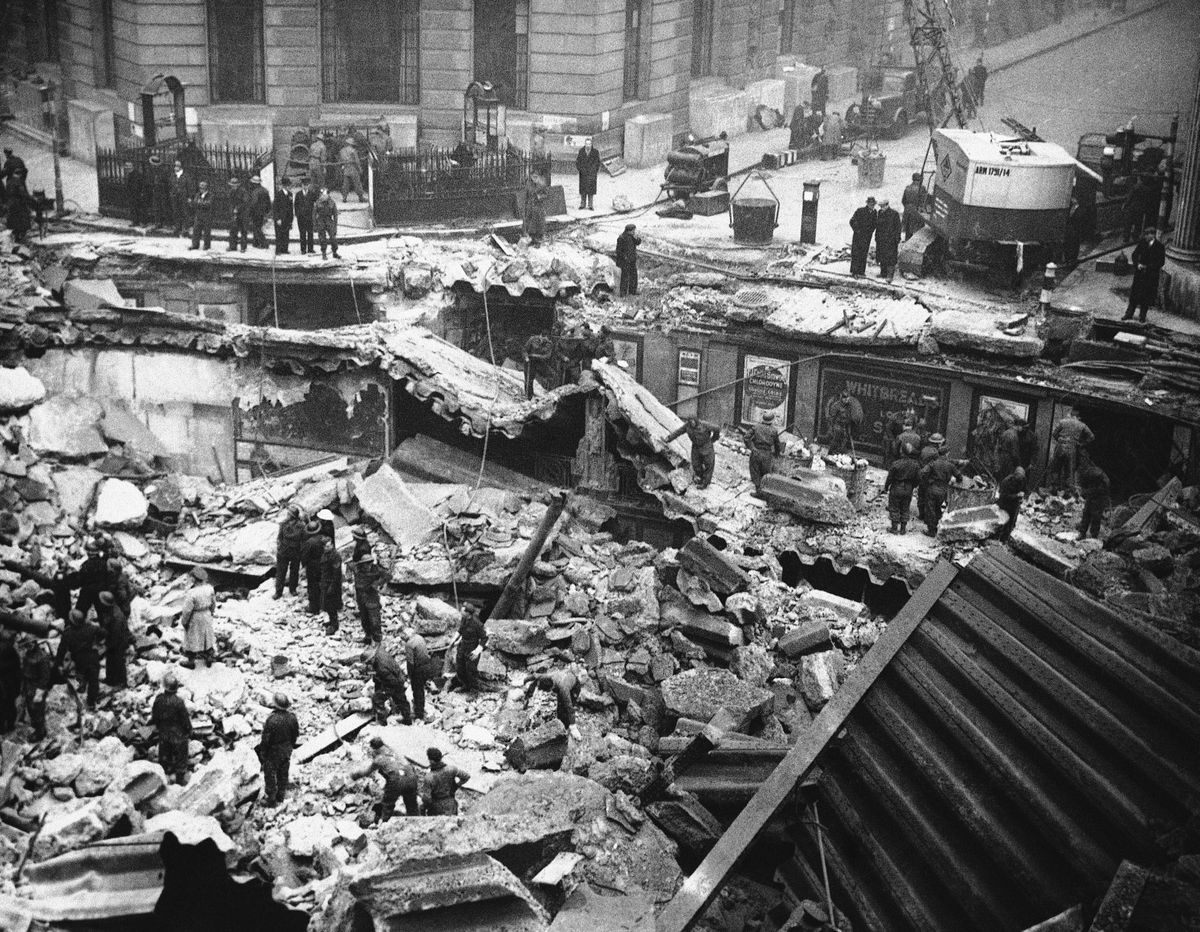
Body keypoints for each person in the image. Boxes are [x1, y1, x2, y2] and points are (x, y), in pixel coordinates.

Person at [351, 736, 419, 821]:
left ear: (374, 749)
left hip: (397, 780)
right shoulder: (394, 751)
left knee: (387, 804)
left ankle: (384, 824)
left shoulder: (379, 759)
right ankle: (416, 822)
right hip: (411, 777)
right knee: (412, 805)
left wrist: (354, 776)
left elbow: (366, 772)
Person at [258, 693, 299, 806]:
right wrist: (290, 747)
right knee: (283, 772)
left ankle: (271, 799)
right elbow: (295, 735)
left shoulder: (272, 720)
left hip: (274, 751)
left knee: (270, 773)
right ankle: (281, 795)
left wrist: (263, 753)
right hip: (286, 749)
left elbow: (266, 739)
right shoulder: (292, 718)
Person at [55, 609, 101, 709]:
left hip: (79, 659)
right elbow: (104, 633)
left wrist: (58, 664)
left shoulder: (68, 633)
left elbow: (61, 650)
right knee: (94, 681)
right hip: (92, 657)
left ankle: (82, 688)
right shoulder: (91, 628)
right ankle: (91, 702)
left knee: (81, 675)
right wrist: (98, 643)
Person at [151, 673, 192, 784]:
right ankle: (180, 777)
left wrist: (159, 726)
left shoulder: (159, 699)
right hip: (178, 734)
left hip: (164, 732)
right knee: (181, 754)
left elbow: (155, 716)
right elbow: (185, 719)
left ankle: (164, 774)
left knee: (164, 753)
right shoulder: (179, 702)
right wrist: (189, 729)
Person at [1123, 226, 1167, 323]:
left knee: (1146, 296)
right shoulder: (1142, 243)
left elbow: (1161, 262)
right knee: (1134, 294)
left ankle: (1142, 316)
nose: (1145, 237)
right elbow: (1134, 254)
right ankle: (1129, 313)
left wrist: (1149, 267)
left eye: (1147, 235)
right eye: (1145, 235)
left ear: (1153, 235)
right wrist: (1137, 264)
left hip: (1150, 276)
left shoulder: (1159, 247)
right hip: (1140, 274)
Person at [665, 416, 721, 489]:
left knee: (709, 464)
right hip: (696, 447)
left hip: (706, 445)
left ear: (696, 420)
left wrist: (713, 439)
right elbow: (678, 432)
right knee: (696, 464)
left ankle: (705, 483)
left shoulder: (704, 424)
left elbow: (717, 428)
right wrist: (669, 438)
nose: (692, 423)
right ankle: (700, 478)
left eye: (693, 421)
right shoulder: (687, 426)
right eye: (690, 422)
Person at [1049, 408, 1094, 494]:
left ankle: (1054, 489)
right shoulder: (1082, 425)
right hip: (1072, 448)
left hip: (1060, 447)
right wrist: (1081, 444)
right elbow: (1091, 437)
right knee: (1069, 470)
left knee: (1056, 468)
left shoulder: (1062, 422)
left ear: (1071, 415)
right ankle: (1067, 492)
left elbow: (1054, 434)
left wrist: (1060, 439)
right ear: (1078, 417)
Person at [920, 444, 962, 536]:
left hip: (932, 488)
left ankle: (931, 531)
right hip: (943, 490)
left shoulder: (932, 463)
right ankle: (940, 526)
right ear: (947, 454)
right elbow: (959, 477)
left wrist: (927, 480)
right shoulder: (950, 465)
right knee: (938, 508)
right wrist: (956, 481)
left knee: (931, 509)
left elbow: (923, 472)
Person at [179, 567, 216, 668]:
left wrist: (184, 622)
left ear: (193, 579)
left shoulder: (191, 593)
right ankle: (209, 657)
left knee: (191, 637)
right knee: (207, 636)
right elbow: (213, 604)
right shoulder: (210, 588)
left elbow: (187, 610)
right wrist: (211, 613)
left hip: (195, 617)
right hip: (206, 614)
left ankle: (191, 661)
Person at [883, 443, 921, 534]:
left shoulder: (896, 464)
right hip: (908, 488)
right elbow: (918, 478)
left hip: (896, 487)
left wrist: (886, 487)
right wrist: (913, 486)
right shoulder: (915, 465)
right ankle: (903, 529)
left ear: (901, 451)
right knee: (905, 507)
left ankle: (894, 528)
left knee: (894, 507)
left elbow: (890, 477)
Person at [371, 643, 412, 725]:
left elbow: (389, 682)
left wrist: (384, 691)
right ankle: (408, 720)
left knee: (377, 699)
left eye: (368, 662)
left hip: (393, 682)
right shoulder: (380, 654)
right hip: (399, 677)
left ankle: (382, 723)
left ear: (371, 658)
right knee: (401, 700)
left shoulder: (381, 667)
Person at [98, 591, 130, 689]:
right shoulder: (111, 609)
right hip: (114, 639)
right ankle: (110, 679)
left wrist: (106, 647)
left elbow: (115, 635)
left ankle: (122, 683)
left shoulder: (116, 617)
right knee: (110, 660)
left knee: (118, 661)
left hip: (119, 642)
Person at [22, 639, 53, 740]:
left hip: (37, 685)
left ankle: (40, 732)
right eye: (27, 645)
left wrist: (40, 691)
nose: (28, 646)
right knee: (30, 708)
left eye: (30, 644)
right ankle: (36, 726)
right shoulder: (28, 653)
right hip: (28, 684)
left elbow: (45, 676)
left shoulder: (42, 657)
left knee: (38, 709)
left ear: (35, 643)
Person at [423, 747, 469, 815]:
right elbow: (466, 776)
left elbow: (427, 799)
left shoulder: (429, 777)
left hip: (437, 808)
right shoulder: (451, 769)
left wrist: (424, 807)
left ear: (431, 761)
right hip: (451, 805)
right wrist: (456, 786)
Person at [744, 412, 783, 492]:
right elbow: (777, 445)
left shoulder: (756, 427)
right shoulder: (774, 430)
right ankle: (764, 491)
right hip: (767, 454)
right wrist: (777, 454)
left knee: (755, 471)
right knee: (765, 473)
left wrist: (752, 448)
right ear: (772, 420)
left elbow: (746, 437)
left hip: (756, 452)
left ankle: (758, 490)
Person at [75, 540, 112, 619]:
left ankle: (77, 624)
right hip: (100, 591)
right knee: (102, 613)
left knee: (80, 610)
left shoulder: (86, 565)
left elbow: (79, 580)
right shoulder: (104, 563)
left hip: (87, 591)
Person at [274, 504, 305, 599]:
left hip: (295, 551)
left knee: (294, 571)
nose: (287, 516)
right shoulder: (283, 524)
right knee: (280, 572)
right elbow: (279, 537)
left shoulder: (301, 526)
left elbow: (303, 539)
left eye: (289, 514)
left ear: (293, 516)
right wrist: (279, 547)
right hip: (283, 551)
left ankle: (293, 589)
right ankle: (278, 592)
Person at [353, 553, 385, 645]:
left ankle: (377, 641)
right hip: (361, 599)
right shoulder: (358, 570)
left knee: (375, 621)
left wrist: (377, 583)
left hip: (372, 599)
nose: (368, 565)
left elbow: (387, 576)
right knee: (364, 620)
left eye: (369, 563)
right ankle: (368, 637)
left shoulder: (376, 569)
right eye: (366, 563)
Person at [455, 603, 487, 693]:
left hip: (472, 650)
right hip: (462, 648)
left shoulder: (476, 623)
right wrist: (454, 641)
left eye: (462, 610)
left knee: (471, 672)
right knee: (460, 669)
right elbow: (460, 630)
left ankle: (474, 691)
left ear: (467, 613)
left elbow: (484, 638)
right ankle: (465, 686)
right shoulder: (464, 619)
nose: (461, 611)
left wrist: (478, 651)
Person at [537, 668, 580, 733]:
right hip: (567, 677)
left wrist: (573, 727)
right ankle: (560, 722)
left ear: (551, 687)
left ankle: (566, 728)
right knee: (560, 707)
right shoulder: (548, 676)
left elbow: (570, 708)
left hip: (574, 687)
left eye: (547, 690)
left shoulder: (563, 690)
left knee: (565, 708)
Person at [404, 627, 433, 721]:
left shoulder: (409, 644)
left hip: (418, 670)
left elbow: (410, 662)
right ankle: (420, 708)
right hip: (427, 666)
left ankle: (419, 714)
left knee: (417, 691)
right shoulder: (420, 637)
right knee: (421, 689)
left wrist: (409, 675)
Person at [1077, 460, 1111, 539]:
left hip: (1100, 496)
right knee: (1086, 513)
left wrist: (1087, 491)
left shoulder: (1095, 474)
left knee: (1095, 516)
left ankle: (1093, 535)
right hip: (1092, 494)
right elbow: (1085, 486)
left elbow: (1103, 488)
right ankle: (1082, 533)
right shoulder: (1089, 474)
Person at [826, 388, 864, 454]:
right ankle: (831, 452)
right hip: (838, 425)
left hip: (846, 426)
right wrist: (831, 428)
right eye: (844, 397)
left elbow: (852, 415)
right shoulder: (836, 406)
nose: (846, 399)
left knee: (844, 440)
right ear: (841, 398)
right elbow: (831, 417)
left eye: (847, 397)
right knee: (836, 439)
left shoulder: (850, 406)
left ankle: (840, 454)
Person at [300, 520, 325, 615]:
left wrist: (304, 565)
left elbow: (304, 556)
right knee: (322, 585)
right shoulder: (324, 539)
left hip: (312, 567)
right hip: (323, 564)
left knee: (313, 587)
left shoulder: (309, 543)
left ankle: (314, 608)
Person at [874, 198, 902, 282]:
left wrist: (896, 239)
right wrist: (876, 237)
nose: (881, 208)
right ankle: (883, 273)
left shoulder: (894, 214)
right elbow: (878, 226)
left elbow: (898, 228)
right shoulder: (880, 213)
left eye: (882, 206)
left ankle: (890, 276)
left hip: (891, 240)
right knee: (881, 256)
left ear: (887, 205)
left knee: (890, 258)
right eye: (880, 206)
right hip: (881, 239)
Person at [319, 539, 343, 635]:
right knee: (326, 604)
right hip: (326, 582)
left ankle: (334, 624)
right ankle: (331, 621)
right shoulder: (326, 554)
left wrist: (332, 586)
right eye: (326, 546)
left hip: (332, 583)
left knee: (331, 605)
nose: (328, 547)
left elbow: (336, 573)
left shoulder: (335, 556)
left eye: (329, 545)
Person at [996, 466, 1026, 541]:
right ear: (1015, 475)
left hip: (1014, 505)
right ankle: (999, 539)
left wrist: (1021, 497)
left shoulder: (1022, 480)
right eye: (1018, 477)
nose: (1020, 479)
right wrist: (1016, 496)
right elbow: (1003, 496)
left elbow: (1024, 490)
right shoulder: (1006, 481)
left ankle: (1007, 539)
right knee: (1003, 523)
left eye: (1021, 478)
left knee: (1012, 523)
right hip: (1005, 504)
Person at [849, 197, 877, 277]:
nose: (872, 206)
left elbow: (874, 224)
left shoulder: (874, 212)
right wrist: (857, 230)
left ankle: (861, 271)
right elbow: (852, 221)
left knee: (864, 253)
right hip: (858, 236)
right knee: (856, 253)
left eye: (873, 204)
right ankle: (854, 272)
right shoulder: (860, 211)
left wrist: (870, 232)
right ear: (867, 204)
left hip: (867, 237)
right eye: (871, 204)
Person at [0, 631, 21, 733]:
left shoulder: (6, 648)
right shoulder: (10, 649)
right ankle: (10, 725)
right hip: (9, 684)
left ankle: (3, 727)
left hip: (5, 685)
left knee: (4, 707)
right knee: (10, 706)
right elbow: (17, 667)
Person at [3, 172, 33, 243]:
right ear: (20, 174)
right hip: (19, 205)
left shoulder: (9, 181)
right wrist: (31, 200)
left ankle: (16, 237)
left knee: (15, 223)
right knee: (23, 223)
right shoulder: (19, 182)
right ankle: (20, 239)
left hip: (12, 204)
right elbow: (23, 194)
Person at [523, 332, 554, 399]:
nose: (546, 340)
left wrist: (536, 356)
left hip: (540, 362)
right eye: (544, 338)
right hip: (530, 362)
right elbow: (525, 350)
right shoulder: (532, 339)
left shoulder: (549, 343)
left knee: (551, 375)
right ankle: (528, 397)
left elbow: (547, 356)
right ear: (541, 336)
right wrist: (526, 357)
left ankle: (548, 396)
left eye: (547, 338)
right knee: (529, 380)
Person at [167, 159, 193, 237]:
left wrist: (189, 197)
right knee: (176, 212)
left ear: (181, 167)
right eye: (175, 166)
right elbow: (169, 185)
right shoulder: (172, 175)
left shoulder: (186, 176)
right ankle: (177, 227)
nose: (176, 167)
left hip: (183, 196)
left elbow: (190, 187)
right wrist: (171, 193)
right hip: (174, 197)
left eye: (178, 166)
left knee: (185, 212)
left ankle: (185, 228)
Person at [186, 178, 214, 250]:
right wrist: (192, 203)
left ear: (206, 189)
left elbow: (208, 204)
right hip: (198, 215)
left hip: (207, 216)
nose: (201, 190)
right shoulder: (198, 195)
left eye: (203, 188)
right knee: (196, 231)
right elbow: (195, 204)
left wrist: (198, 203)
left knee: (206, 232)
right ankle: (195, 244)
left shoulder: (210, 195)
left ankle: (206, 245)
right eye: (200, 188)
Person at [245, 174, 272, 249]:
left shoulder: (255, 192)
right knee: (258, 227)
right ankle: (256, 243)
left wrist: (249, 212)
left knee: (256, 228)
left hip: (256, 212)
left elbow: (253, 203)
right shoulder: (265, 190)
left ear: (255, 184)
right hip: (262, 212)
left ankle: (264, 243)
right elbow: (268, 202)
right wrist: (267, 211)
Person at [575, 137, 602, 211]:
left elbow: (598, 163)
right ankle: (582, 204)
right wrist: (581, 170)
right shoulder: (581, 151)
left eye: (589, 144)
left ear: (591, 144)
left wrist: (594, 171)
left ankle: (590, 205)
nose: (588, 145)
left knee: (591, 190)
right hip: (583, 174)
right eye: (586, 144)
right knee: (583, 190)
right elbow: (578, 162)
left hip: (591, 174)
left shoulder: (595, 152)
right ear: (585, 144)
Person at [313, 187, 339, 259]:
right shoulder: (318, 202)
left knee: (333, 237)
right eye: (322, 195)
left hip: (329, 220)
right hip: (321, 220)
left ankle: (334, 252)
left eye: (324, 195)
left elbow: (335, 215)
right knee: (322, 238)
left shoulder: (332, 202)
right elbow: (314, 214)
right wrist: (315, 225)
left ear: (328, 195)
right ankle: (324, 253)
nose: (323, 197)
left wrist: (335, 226)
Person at [523, 172, 548, 246]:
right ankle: (532, 239)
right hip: (530, 207)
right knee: (530, 224)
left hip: (538, 207)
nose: (534, 179)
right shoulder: (529, 185)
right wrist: (526, 206)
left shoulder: (542, 184)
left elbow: (546, 194)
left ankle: (538, 240)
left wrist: (540, 197)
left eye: (536, 177)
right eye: (533, 177)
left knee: (539, 224)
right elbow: (526, 196)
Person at [616, 223, 641, 296]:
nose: (634, 232)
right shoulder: (621, 238)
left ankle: (632, 291)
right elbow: (618, 251)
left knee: (633, 276)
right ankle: (623, 294)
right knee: (625, 277)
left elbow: (638, 242)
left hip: (632, 260)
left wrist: (637, 238)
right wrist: (625, 257)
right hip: (625, 261)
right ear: (628, 231)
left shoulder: (632, 237)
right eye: (633, 231)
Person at [227, 177, 251, 252]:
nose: (233, 186)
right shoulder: (231, 191)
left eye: (234, 185)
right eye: (232, 185)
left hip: (243, 214)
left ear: (238, 185)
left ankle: (243, 247)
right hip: (234, 214)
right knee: (233, 230)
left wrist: (237, 208)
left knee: (243, 231)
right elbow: (230, 202)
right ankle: (232, 246)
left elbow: (245, 202)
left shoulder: (243, 191)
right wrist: (232, 211)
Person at [293, 178, 317, 255]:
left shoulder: (312, 194)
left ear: (309, 185)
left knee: (310, 233)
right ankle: (303, 249)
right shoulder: (298, 194)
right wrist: (298, 215)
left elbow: (315, 203)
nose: (305, 187)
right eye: (304, 185)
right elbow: (295, 205)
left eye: (307, 185)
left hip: (309, 217)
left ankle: (310, 249)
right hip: (301, 217)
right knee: (302, 233)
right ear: (302, 185)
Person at [149, 155, 172, 228]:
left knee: (165, 207)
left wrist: (160, 184)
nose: (153, 166)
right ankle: (158, 223)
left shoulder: (163, 171)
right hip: (155, 191)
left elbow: (167, 181)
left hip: (163, 191)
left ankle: (168, 223)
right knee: (156, 207)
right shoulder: (151, 171)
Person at [273, 178, 294, 255]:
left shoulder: (290, 194)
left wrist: (291, 220)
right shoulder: (278, 194)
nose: (288, 187)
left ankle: (284, 249)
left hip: (287, 218)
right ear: (284, 186)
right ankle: (278, 250)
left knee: (286, 234)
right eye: (287, 185)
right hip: (280, 218)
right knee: (279, 235)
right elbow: (275, 208)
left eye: (289, 185)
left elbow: (291, 207)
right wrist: (277, 218)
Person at [125, 160, 149, 227]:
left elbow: (142, 184)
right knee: (133, 208)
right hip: (132, 194)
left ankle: (143, 222)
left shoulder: (137, 174)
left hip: (138, 194)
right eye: (126, 166)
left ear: (132, 166)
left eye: (129, 166)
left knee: (141, 209)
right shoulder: (129, 174)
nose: (128, 167)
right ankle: (135, 222)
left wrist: (142, 193)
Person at [901, 173, 924, 240]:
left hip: (907, 210)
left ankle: (907, 242)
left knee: (908, 229)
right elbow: (923, 200)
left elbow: (903, 200)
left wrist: (908, 207)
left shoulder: (907, 188)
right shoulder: (922, 188)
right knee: (918, 230)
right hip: (916, 210)